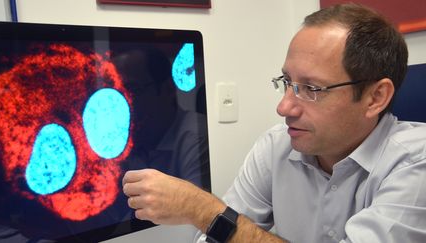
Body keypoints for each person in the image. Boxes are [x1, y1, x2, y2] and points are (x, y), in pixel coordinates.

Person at [122, 3, 426, 243]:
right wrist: (213, 222)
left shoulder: (416, 162)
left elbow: (218, 224)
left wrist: (204, 211)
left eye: (312, 89)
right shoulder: (277, 145)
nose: (284, 107)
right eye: (287, 82)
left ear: (376, 97)